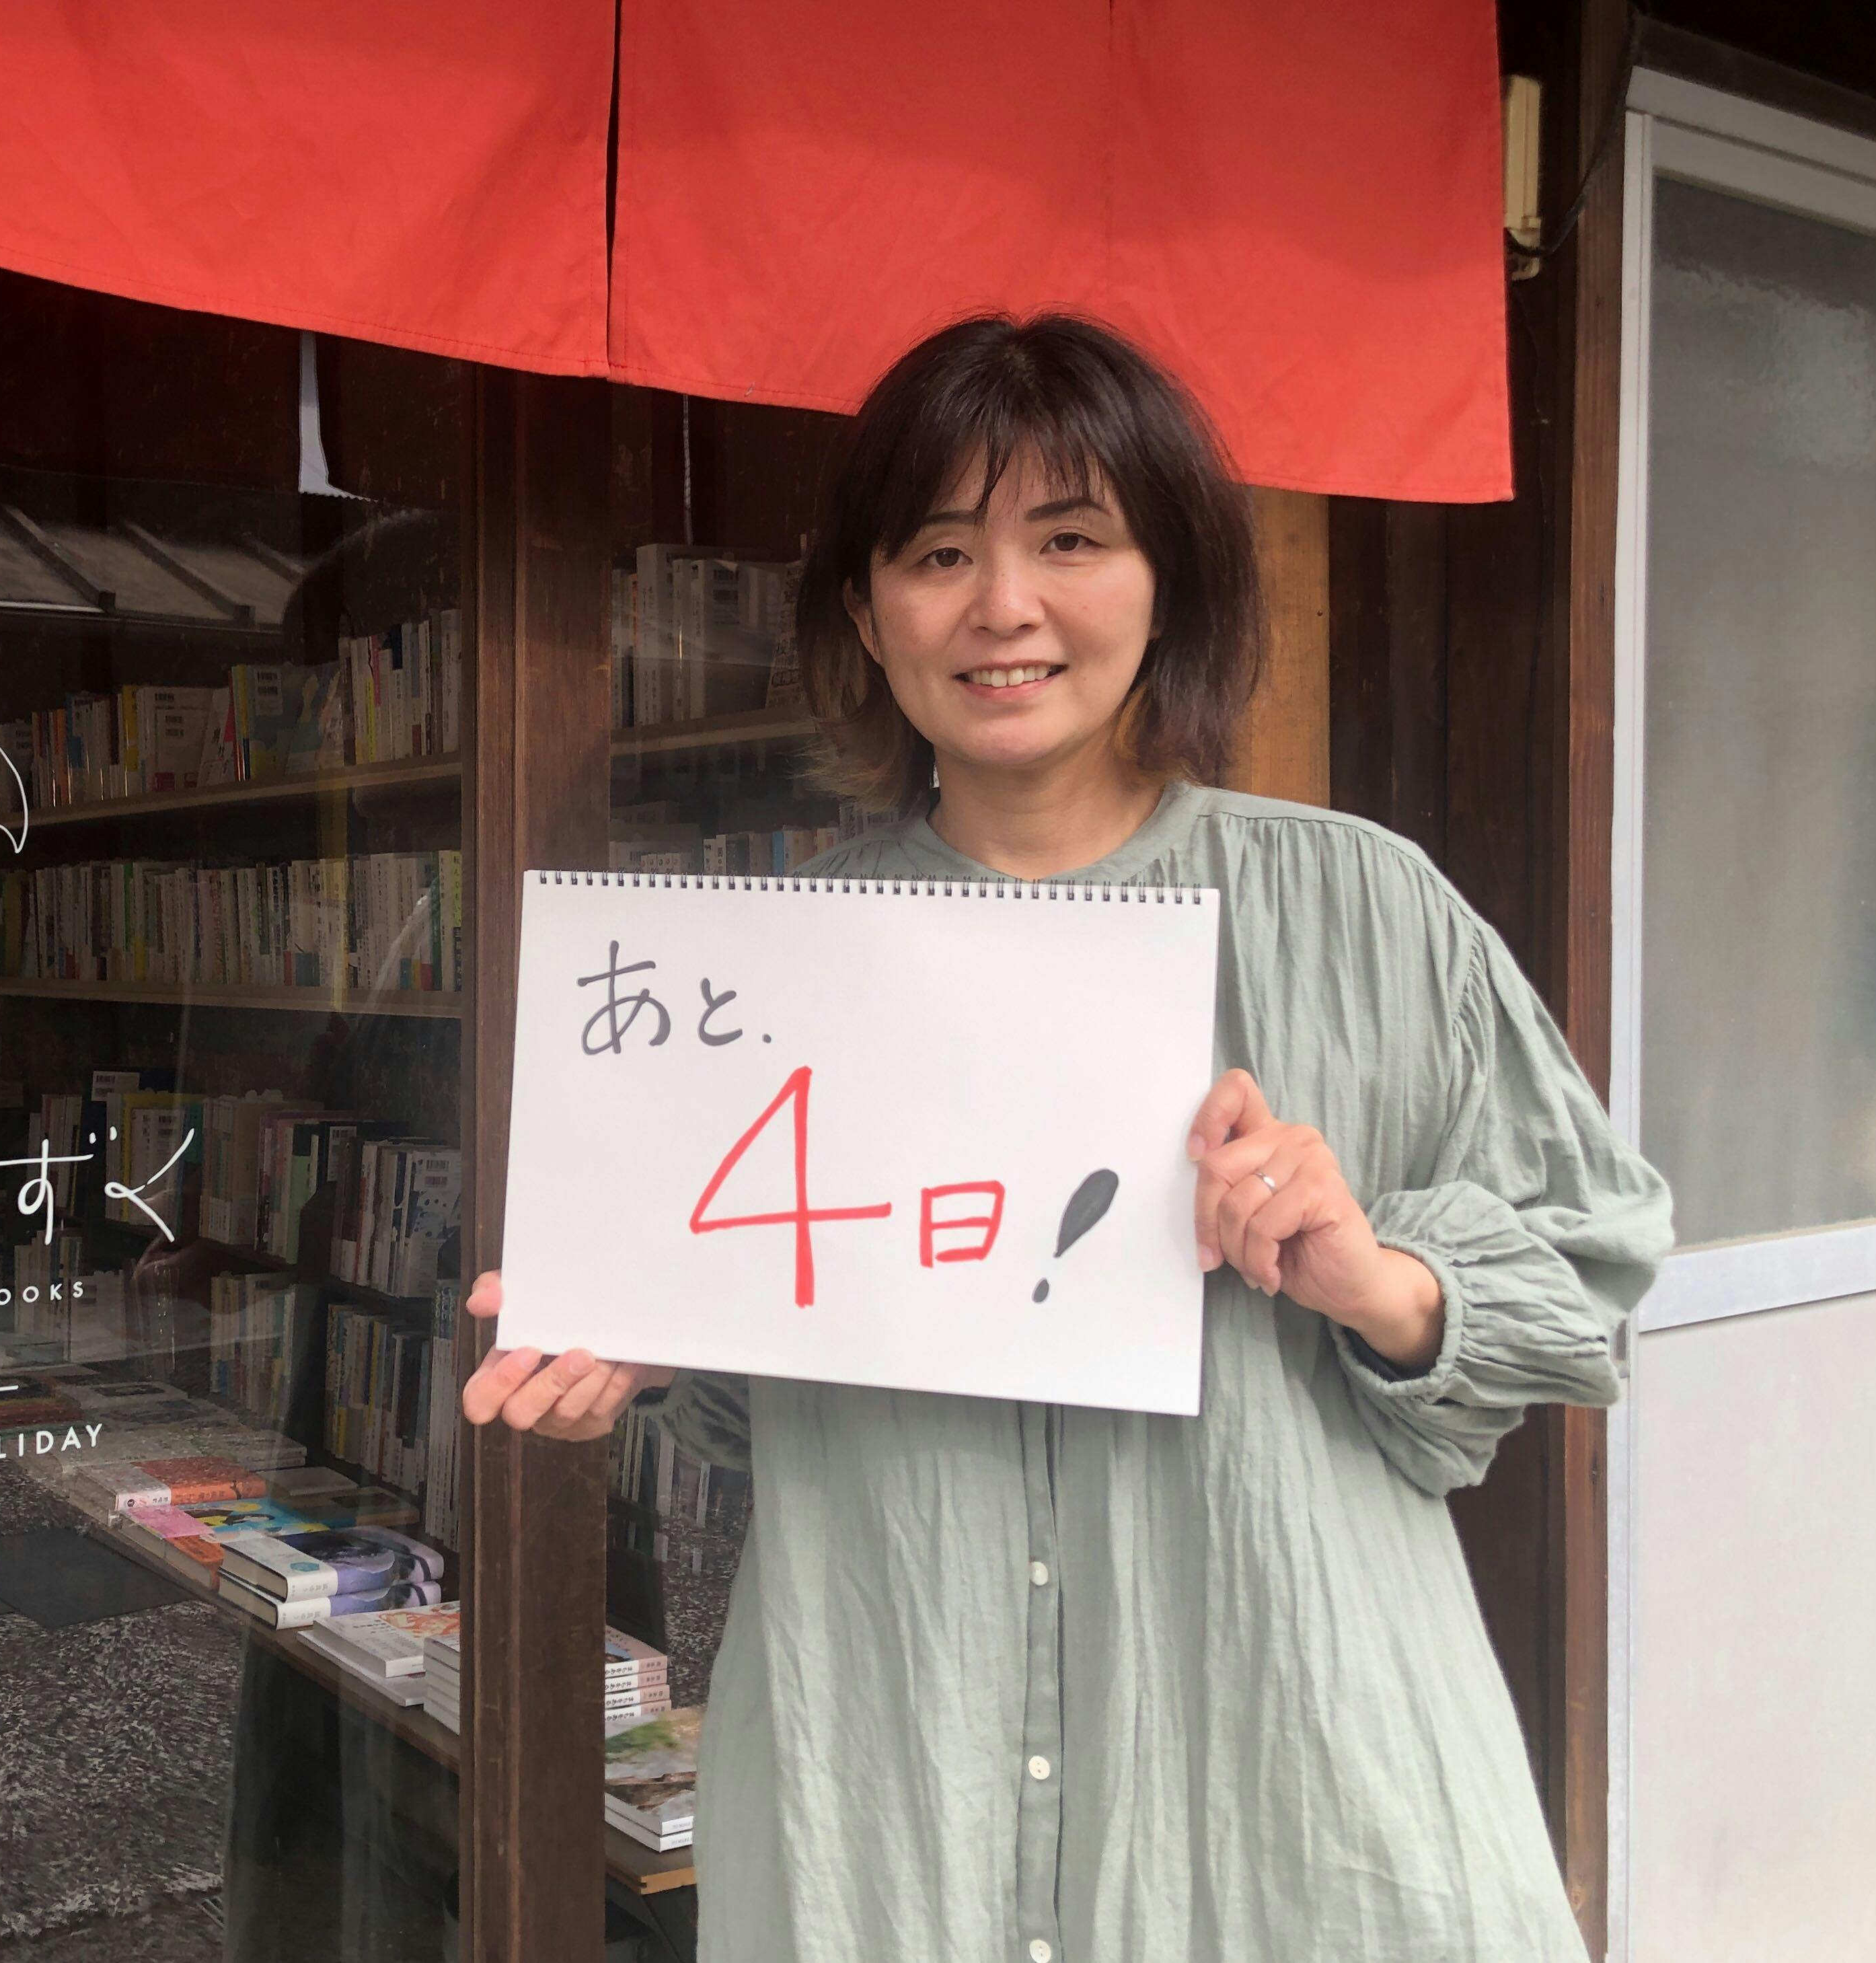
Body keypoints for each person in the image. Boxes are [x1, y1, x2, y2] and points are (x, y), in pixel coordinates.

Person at [460, 314, 1672, 1963]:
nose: (1003, 605)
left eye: (1071, 540)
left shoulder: (1367, 907)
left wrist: (1378, 1278)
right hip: (893, 1797)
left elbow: (1589, 1271)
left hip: (1288, 1801)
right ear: (867, 613)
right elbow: (771, 1413)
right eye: (938, 552)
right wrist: (658, 1332)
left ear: (1169, 581)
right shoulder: (768, 976)